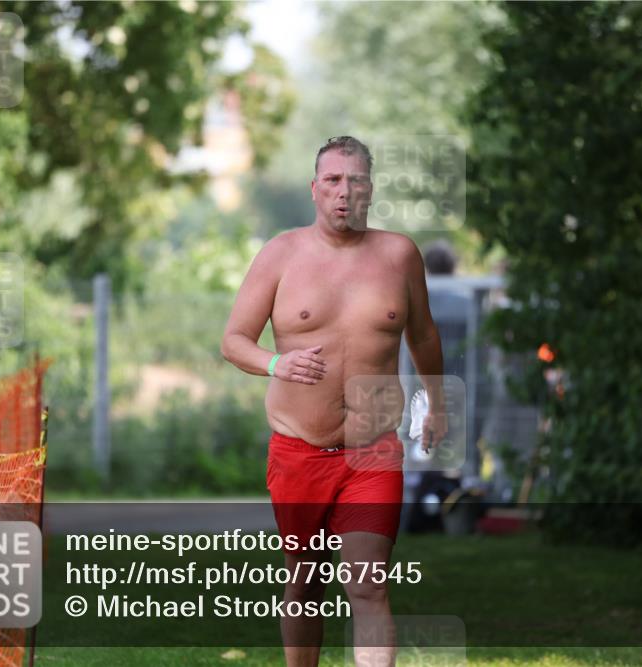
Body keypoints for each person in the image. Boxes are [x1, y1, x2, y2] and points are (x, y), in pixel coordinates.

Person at [221, 135, 447, 667]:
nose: (344, 192)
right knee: (305, 584)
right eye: (333, 181)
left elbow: (424, 337)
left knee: (368, 586)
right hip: (300, 450)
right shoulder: (281, 253)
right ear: (315, 189)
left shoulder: (399, 255)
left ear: (370, 188)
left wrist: (437, 403)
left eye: (356, 181)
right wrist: (277, 363)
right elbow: (233, 341)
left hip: (373, 452)